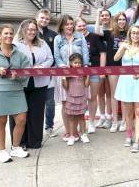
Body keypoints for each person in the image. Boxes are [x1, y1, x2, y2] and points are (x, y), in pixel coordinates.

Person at [0, 24, 30, 163]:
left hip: (16, 90)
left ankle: (15, 148)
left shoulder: (20, 54)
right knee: (1, 121)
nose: (8, 36)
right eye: (6, 33)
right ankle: (2, 151)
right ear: (0, 35)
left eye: (10, 34)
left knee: (21, 120)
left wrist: (18, 76)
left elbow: (27, 72)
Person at [11, 19, 53, 149]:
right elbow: (11, 60)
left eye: (34, 29)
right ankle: (20, 142)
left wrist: (41, 66)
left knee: (36, 113)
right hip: (20, 84)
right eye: (29, 29)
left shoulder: (42, 43)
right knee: (19, 114)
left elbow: (50, 58)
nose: (32, 32)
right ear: (23, 29)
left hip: (39, 83)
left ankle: (34, 142)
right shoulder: (16, 44)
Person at [114, 25, 139, 153]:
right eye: (133, 33)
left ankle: (137, 140)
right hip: (125, 82)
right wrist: (122, 47)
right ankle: (129, 135)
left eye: (137, 33)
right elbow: (115, 58)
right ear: (129, 34)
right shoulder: (124, 46)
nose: (135, 35)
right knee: (128, 113)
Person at [54, 15, 90, 141]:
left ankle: (79, 132)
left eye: (71, 24)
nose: (69, 26)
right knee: (66, 103)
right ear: (61, 26)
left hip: (79, 75)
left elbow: (85, 53)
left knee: (79, 103)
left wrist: (84, 68)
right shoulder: (58, 39)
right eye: (66, 24)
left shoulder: (80, 36)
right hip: (64, 74)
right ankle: (69, 132)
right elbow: (57, 57)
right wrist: (65, 68)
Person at [75, 16, 105, 134]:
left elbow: (102, 53)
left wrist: (102, 70)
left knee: (92, 97)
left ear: (86, 25)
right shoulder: (74, 38)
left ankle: (91, 122)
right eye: (79, 26)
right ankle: (79, 123)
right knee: (79, 98)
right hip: (78, 72)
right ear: (75, 27)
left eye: (83, 25)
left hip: (94, 70)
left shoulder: (94, 37)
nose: (82, 28)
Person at [36, 8, 58, 138]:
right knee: (36, 102)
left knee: (50, 102)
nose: (44, 20)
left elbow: (55, 55)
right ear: (37, 18)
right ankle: (35, 127)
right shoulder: (30, 32)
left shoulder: (53, 35)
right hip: (33, 74)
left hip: (49, 73)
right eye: (42, 18)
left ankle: (49, 126)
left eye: (47, 18)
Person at [63, 53, 90, 145]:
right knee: (71, 118)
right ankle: (71, 136)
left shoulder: (83, 73)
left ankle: (83, 134)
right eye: (75, 63)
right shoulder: (68, 73)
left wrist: (88, 76)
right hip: (71, 98)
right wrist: (64, 78)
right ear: (71, 63)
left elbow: (86, 85)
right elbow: (66, 87)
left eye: (79, 63)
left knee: (82, 117)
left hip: (81, 97)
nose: (77, 64)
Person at [94, 8, 113, 129]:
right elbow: (97, 31)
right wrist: (97, 15)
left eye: (106, 15)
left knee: (109, 93)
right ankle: (102, 116)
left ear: (110, 17)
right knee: (100, 93)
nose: (104, 17)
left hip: (110, 63)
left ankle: (109, 117)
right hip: (99, 64)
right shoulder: (98, 30)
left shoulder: (113, 30)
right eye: (103, 16)